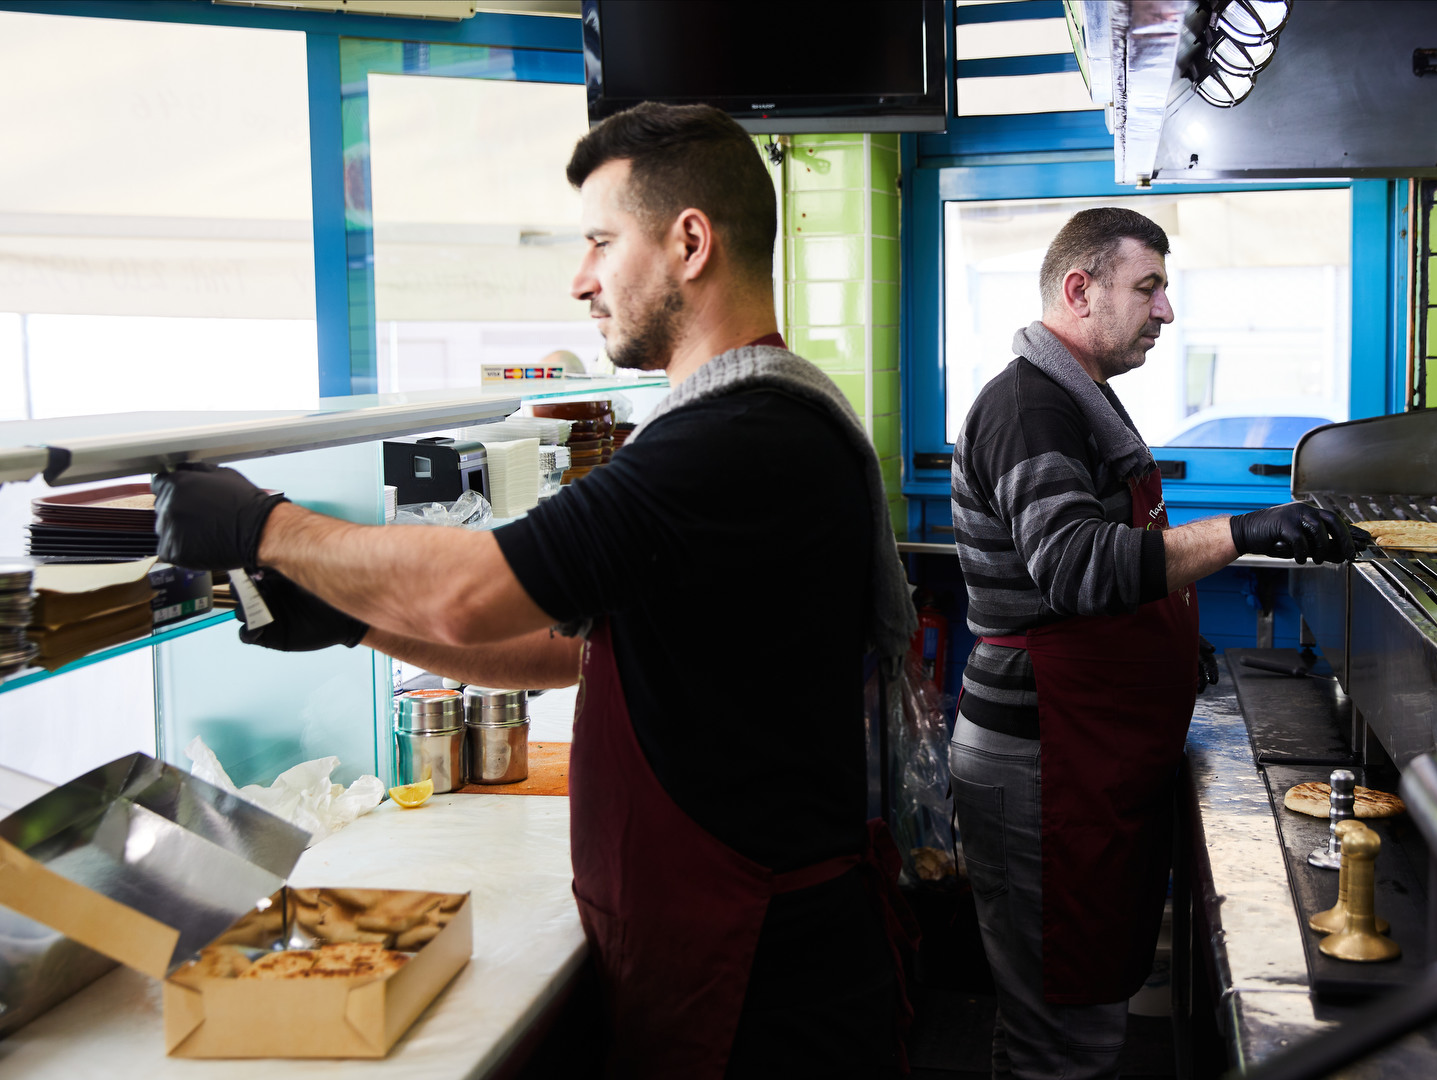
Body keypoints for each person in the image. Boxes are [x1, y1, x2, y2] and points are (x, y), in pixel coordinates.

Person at [155, 103, 918, 1080]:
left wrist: (266, 528)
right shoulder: (733, 425)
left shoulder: (740, 440)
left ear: (690, 242)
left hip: (763, 975)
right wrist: (355, 620)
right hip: (730, 943)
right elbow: (571, 647)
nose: (581, 279)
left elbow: (475, 590)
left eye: (601, 241)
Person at [947, 207, 1361, 1079]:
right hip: (1043, 762)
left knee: (1066, 1022)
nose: (1166, 311)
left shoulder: (1078, 395)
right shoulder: (1031, 407)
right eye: (1149, 288)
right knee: (1062, 1037)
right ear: (1078, 288)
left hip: (1080, 753)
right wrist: (1247, 531)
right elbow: (1079, 567)